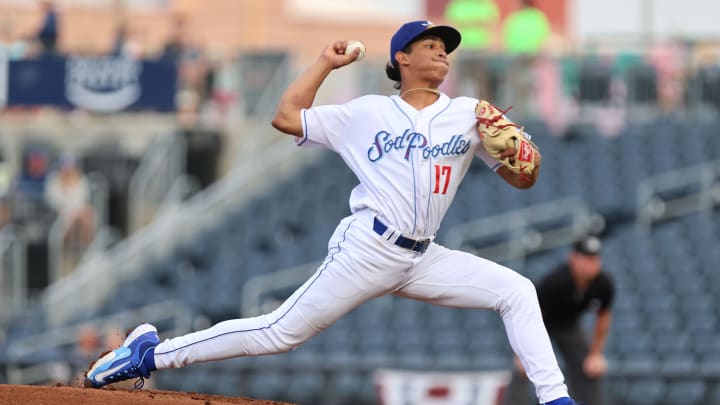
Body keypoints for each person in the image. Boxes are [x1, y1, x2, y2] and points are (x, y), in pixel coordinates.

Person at [84, 20, 582, 405]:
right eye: (429, 44)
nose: (441, 51)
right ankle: (149, 354)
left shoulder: (470, 112)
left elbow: (523, 178)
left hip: (424, 257)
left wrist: (523, 162)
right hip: (368, 246)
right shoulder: (364, 113)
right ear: (402, 58)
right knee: (279, 333)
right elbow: (285, 117)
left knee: (516, 290)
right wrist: (324, 63)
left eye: (444, 46)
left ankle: (555, 398)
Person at [502, 236, 614, 405]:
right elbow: (527, 315)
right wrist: (520, 353)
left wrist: (596, 353)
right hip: (539, 323)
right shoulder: (555, 282)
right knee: (523, 367)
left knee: (588, 365)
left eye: (595, 258)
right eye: (586, 258)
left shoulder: (603, 283)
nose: (591, 264)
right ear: (573, 258)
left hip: (569, 325)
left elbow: (604, 316)